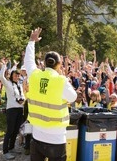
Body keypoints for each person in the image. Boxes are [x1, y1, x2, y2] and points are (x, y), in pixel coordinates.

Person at [24, 27, 77, 161]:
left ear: (44, 63)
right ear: (59, 64)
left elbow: (29, 61)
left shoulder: (34, 76)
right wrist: (63, 77)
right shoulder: (61, 81)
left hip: (37, 136)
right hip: (56, 138)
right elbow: (73, 97)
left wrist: (32, 41)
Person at [0, 61, 25, 160]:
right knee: (9, 130)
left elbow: (22, 96)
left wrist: (23, 100)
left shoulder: (20, 85)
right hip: (11, 110)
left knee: (15, 130)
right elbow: (1, 77)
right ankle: (5, 152)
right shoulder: (8, 84)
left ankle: (12, 148)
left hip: (20, 109)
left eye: (18, 76)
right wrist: (5, 65)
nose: (16, 77)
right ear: (11, 76)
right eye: (15, 75)